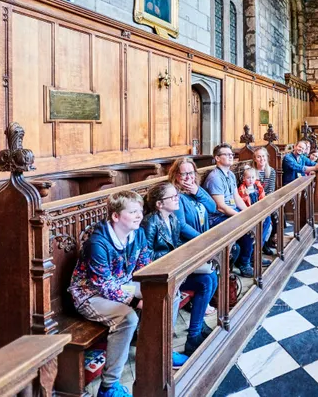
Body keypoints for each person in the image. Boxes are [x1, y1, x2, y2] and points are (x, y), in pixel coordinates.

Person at [68, 190, 188, 397]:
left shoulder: (137, 234)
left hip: (123, 285)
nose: (139, 216)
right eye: (133, 212)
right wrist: (136, 303)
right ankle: (108, 387)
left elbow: (144, 267)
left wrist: (154, 289)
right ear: (116, 216)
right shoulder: (98, 243)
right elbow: (103, 285)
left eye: (140, 211)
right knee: (127, 318)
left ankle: (160, 352)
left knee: (169, 294)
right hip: (90, 294)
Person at [142, 181, 218, 356]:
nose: (178, 199)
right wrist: (176, 259)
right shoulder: (150, 222)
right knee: (205, 281)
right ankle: (192, 336)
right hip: (158, 276)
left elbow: (175, 246)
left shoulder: (173, 219)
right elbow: (146, 256)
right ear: (159, 204)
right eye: (173, 197)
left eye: (177, 195)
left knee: (209, 277)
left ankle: (195, 334)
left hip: (173, 270)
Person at [203, 143, 269, 277]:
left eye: (231, 154)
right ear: (217, 158)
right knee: (248, 224)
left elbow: (236, 197)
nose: (231, 156)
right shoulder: (215, 177)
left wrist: (248, 212)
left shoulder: (230, 175)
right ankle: (244, 263)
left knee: (264, 218)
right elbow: (220, 206)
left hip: (231, 211)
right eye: (226, 154)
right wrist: (243, 217)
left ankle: (253, 255)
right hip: (218, 217)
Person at [169, 157, 218, 316]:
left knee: (215, 272)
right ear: (176, 175)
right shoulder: (175, 194)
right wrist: (203, 239)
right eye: (184, 174)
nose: (188, 177)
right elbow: (182, 226)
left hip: (201, 242)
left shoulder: (195, 189)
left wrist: (198, 192)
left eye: (191, 173)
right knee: (209, 275)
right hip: (188, 246)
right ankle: (199, 304)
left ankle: (203, 303)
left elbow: (212, 207)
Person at [237, 166, 274, 256]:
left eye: (253, 177)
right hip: (249, 212)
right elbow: (242, 202)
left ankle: (259, 246)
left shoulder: (258, 186)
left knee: (269, 226)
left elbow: (262, 198)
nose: (251, 180)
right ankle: (255, 250)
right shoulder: (242, 189)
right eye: (248, 178)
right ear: (244, 179)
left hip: (259, 209)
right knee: (263, 225)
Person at [253, 147, 279, 251]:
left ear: (266, 157)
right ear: (255, 159)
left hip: (267, 199)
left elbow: (271, 190)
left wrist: (265, 202)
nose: (261, 159)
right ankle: (263, 244)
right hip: (255, 201)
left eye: (263, 156)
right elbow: (252, 190)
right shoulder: (252, 171)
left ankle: (269, 240)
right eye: (258, 157)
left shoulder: (271, 171)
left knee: (276, 215)